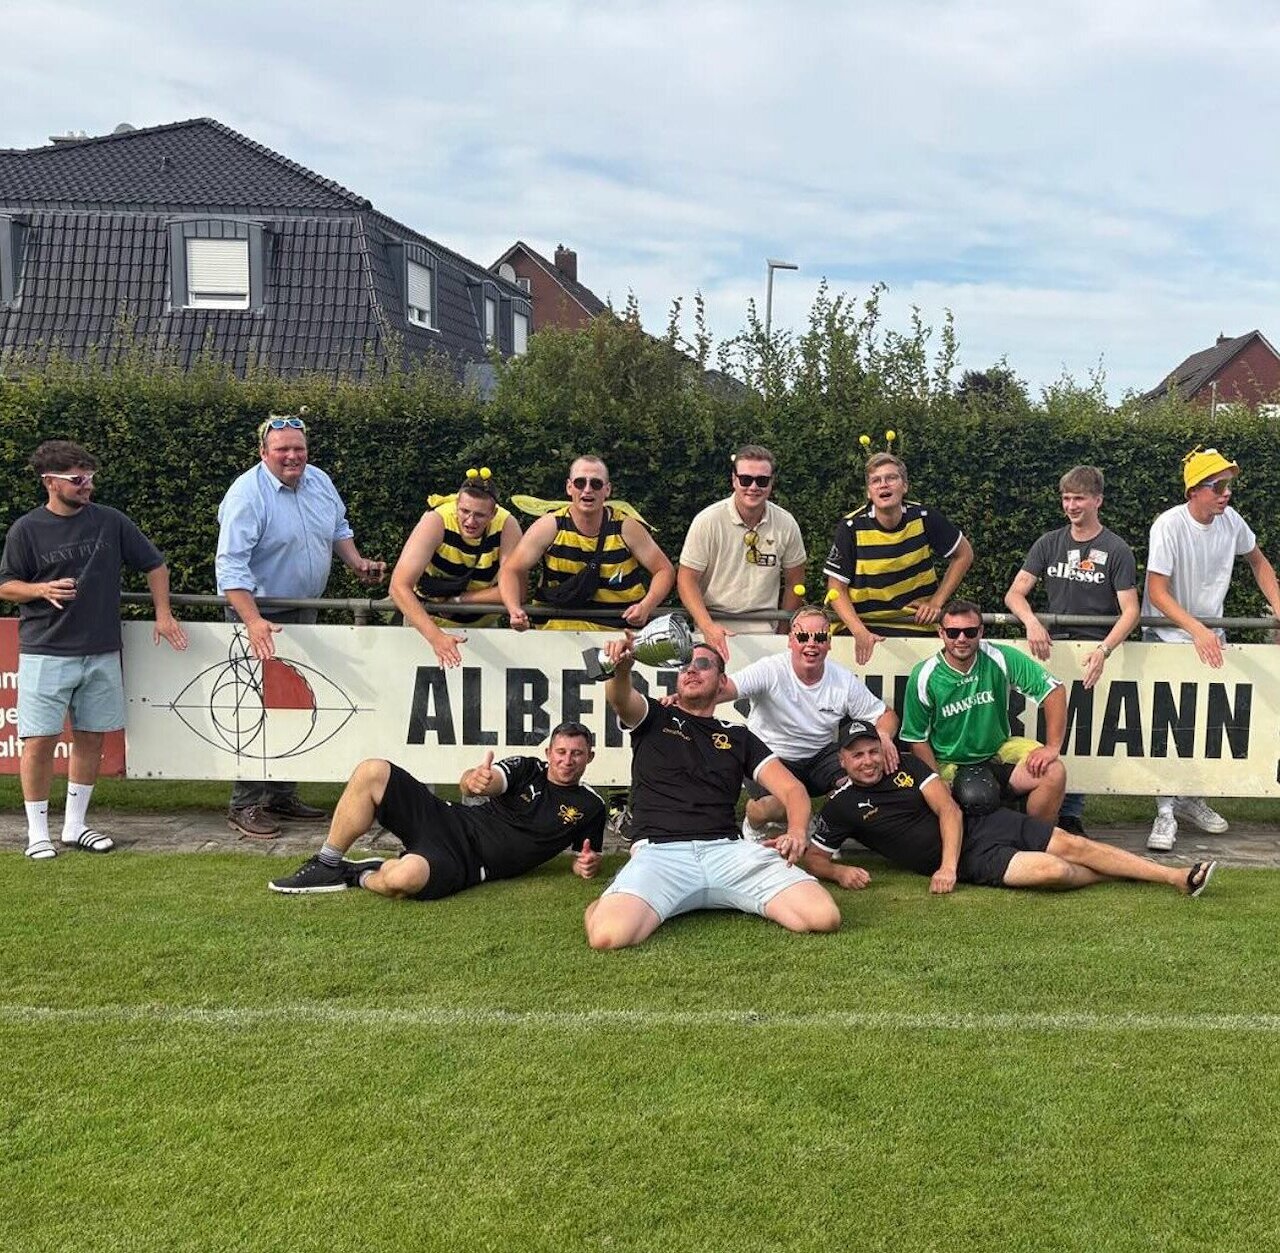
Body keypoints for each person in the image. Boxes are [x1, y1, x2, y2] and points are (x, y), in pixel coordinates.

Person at [582, 634, 842, 949]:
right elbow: (621, 699)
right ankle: (611, 899)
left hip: (727, 852)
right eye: (684, 666)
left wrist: (798, 832)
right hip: (661, 854)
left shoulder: (738, 736)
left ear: (722, 682)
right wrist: (621, 670)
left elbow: (793, 789)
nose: (691, 670)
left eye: (703, 665)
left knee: (823, 917)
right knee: (607, 936)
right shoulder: (654, 716)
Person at [0, 439, 189, 860]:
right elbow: (7, 584)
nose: (88, 486)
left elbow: (154, 565)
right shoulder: (25, 530)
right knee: (39, 742)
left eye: (90, 478)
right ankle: (36, 833)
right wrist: (39, 589)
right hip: (45, 651)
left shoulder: (111, 521)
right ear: (50, 482)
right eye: (78, 479)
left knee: (90, 739)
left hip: (102, 650)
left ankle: (74, 825)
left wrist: (163, 614)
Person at [215, 411, 387, 838]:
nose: (293, 456)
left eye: (299, 448)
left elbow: (338, 529)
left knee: (293, 702)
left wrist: (357, 563)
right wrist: (253, 621)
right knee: (256, 709)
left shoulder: (319, 480)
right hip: (257, 613)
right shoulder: (246, 495)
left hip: (304, 609)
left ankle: (280, 794)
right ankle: (246, 803)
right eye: (283, 450)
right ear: (263, 453)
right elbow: (230, 566)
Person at [807, 720, 1216, 897]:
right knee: (1054, 869)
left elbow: (948, 811)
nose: (867, 761)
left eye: (872, 751)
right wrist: (839, 871)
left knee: (1070, 845)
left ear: (882, 750)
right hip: (973, 860)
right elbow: (815, 858)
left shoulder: (908, 767)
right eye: (857, 755)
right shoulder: (841, 806)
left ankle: (1174, 877)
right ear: (842, 760)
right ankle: (1121, 874)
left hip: (981, 824)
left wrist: (945, 868)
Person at [268, 721, 606, 898]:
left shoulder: (591, 806)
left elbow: (583, 859)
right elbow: (484, 781)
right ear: (549, 752)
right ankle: (327, 863)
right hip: (446, 818)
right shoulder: (526, 768)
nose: (567, 760)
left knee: (402, 879)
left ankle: (358, 874)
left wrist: (587, 867)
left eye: (577, 753)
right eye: (561, 752)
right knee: (373, 770)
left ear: (589, 757)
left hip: (469, 862)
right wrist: (475, 781)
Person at [1141, 445, 1280, 851]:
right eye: (1217, 486)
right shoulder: (1167, 525)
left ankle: (1188, 799)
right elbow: (1156, 591)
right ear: (1194, 491)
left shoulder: (1231, 521)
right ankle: (1165, 811)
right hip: (1166, 638)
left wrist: (1277, 602)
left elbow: (1258, 561)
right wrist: (1197, 630)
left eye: (1227, 485)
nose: (1226, 493)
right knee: (1167, 725)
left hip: (1207, 639)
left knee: (1203, 725)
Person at [705, 604, 898, 889]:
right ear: (790, 640)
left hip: (820, 756)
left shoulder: (842, 679)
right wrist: (685, 697)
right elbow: (726, 690)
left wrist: (883, 736)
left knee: (858, 780)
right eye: (803, 637)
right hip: (771, 756)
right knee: (773, 807)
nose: (811, 644)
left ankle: (820, 834)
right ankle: (754, 822)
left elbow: (886, 715)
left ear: (829, 644)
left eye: (819, 638)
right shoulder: (771, 669)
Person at [1004, 465, 1139, 835]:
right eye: (1066, 498)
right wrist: (1032, 622)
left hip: (1092, 653)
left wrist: (1105, 650)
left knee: (1083, 733)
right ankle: (1035, 803)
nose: (1071, 505)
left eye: (1079, 497)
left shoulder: (1116, 549)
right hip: (1051, 651)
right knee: (1043, 729)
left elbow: (1131, 611)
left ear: (1098, 500)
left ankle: (1071, 814)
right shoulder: (1049, 543)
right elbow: (1015, 593)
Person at [900, 600, 1067, 822]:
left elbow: (1053, 691)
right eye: (953, 632)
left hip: (998, 750)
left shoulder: (1000, 657)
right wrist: (935, 780)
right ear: (941, 633)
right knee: (944, 800)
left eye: (969, 632)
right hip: (949, 762)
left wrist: (1052, 747)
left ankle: (1037, 840)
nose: (961, 639)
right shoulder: (924, 675)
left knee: (1053, 772)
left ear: (981, 631)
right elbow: (916, 738)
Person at [824, 451, 973, 665]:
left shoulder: (925, 517)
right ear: (869, 492)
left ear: (904, 486)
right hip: (862, 626)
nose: (883, 484)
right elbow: (836, 588)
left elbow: (964, 554)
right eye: (876, 480)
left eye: (891, 478)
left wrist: (937, 602)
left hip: (915, 625)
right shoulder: (850, 527)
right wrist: (859, 631)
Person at [499, 455, 674, 632]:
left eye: (596, 484)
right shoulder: (549, 525)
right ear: (569, 487)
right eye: (580, 483)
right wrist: (514, 610)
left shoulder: (626, 527)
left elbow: (664, 570)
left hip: (618, 632)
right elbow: (511, 569)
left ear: (607, 490)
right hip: (557, 632)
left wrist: (646, 606)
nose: (587, 490)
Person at [676, 444, 806, 660]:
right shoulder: (707, 520)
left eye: (762, 481)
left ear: (772, 483)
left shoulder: (786, 523)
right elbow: (686, 579)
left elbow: (796, 582)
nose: (753, 487)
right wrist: (707, 626)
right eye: (746, 479)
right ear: (734, 480)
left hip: (766, 633)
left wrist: (782, 633)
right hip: (713, 629)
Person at [388, 468, 523, 668]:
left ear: (493, 513)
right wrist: (437, 639)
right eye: (465, 511)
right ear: (456, 504)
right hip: (426, 628)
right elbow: (398, 587)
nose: (470, 521)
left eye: (479, 515)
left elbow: (515, 591)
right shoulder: (436, 519)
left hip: (484, 629)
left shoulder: (507, 524)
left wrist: (459, 601)